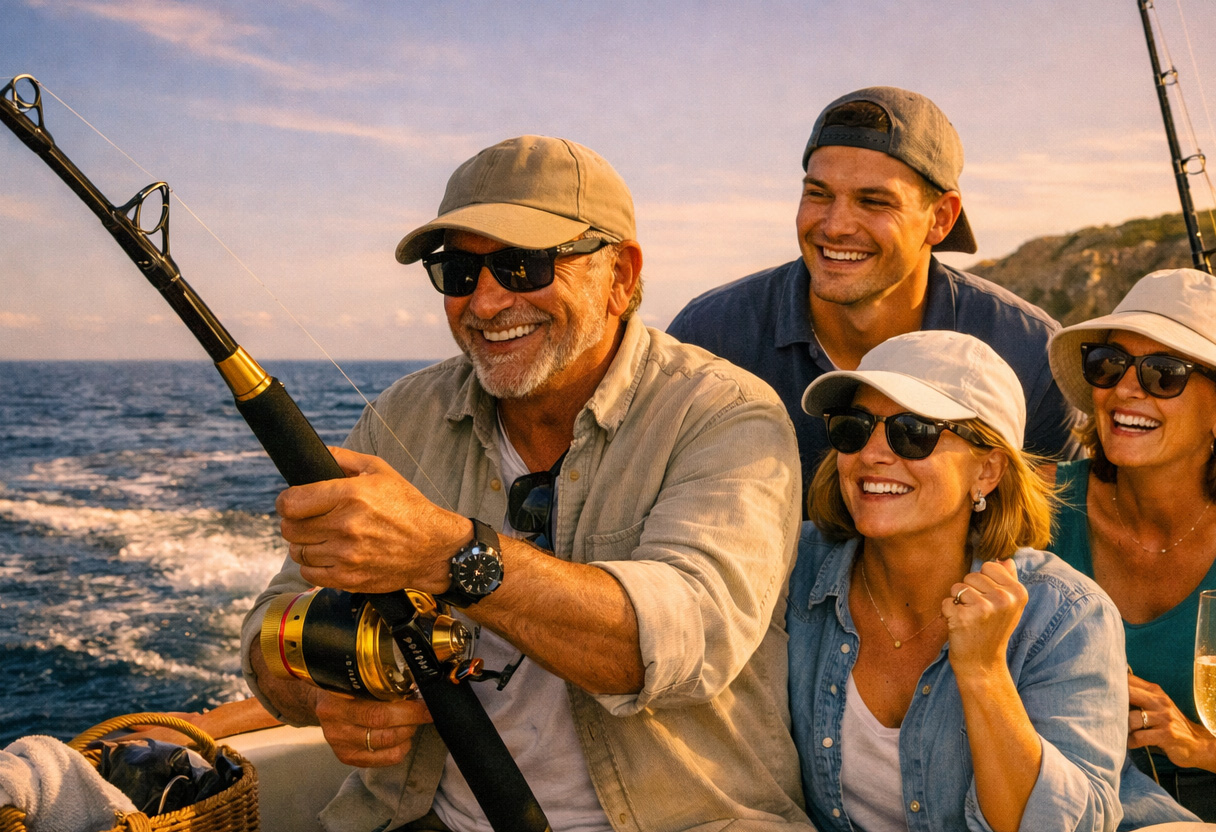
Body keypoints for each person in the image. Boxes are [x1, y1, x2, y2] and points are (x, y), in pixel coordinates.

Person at [239, 135, 813, 832]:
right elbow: (271, 630)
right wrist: (327, 694)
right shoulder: (403, 415)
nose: (485, 302)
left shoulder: (727, 414)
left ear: (621, 275)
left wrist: (447, 553)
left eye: (523, 265)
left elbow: (686, 639)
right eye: (458, 271)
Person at [668, 86, 1080, 501]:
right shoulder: (706, 338)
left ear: (941, 218)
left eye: (873, 201)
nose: (835, 226)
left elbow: (1051, 523)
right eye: (818, 194)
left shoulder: (1028, 352)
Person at [787, 329, 1127, 832]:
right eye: (854, 428)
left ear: (987, 471)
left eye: (913, 432)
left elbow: (1070, 826)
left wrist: (984, 672)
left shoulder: (1065, 615)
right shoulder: (789, 568)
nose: (872, 454)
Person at [1047, 267, 1216, 822]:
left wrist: (1198, 745)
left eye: (1164, 373)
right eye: (1109, 364)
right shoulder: (1040, 509)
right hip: (1064, 800)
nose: (1125, 388)